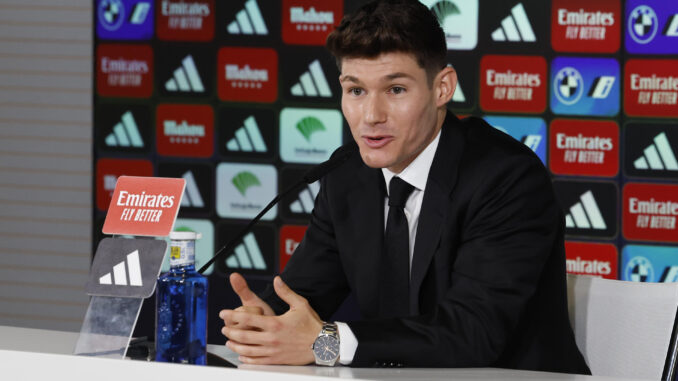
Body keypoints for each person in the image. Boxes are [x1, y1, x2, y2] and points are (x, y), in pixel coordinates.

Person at [219, 0, 590, 374]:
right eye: (356, 91)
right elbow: (301, 298)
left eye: (395, 90)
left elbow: (473, 333)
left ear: (442, 88)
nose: (371, 116)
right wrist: (264, 323)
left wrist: (326, 341)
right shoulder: (347, 175)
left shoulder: (506, 178)